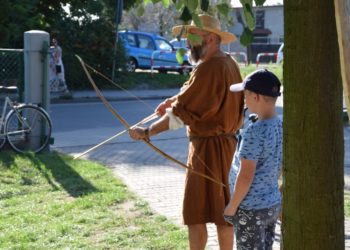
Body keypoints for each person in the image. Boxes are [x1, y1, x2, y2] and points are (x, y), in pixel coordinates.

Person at [129, 14, 244, 250]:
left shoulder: (210, 67)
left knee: (197, 214)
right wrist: (172, 101)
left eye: (193, 35)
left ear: (211, 38)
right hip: (227, 147)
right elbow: (193, 97)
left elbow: (182, 114)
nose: (188, 42)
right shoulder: (226, 62)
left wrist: (147, 131)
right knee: (224, 212)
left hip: (209, 150)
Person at [223, 69, 283, 250]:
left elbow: (246, 174)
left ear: (256, 97)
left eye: (245, 96)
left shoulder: (254, 132)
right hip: (271, 204)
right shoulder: (280, 124)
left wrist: (232, 207)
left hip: (250, 209)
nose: (244, 101)